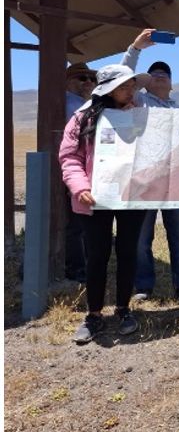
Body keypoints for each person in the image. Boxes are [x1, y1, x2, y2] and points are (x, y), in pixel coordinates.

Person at [61, 64, 153, 344]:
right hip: (94, 198)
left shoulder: (143, 117)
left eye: (132, 85)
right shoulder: (82, 118)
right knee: (97, 256)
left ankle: (124, 309)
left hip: (131, 196)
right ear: (108, 89)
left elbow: (161, 148)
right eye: (124, 86)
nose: (130, 90)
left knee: (127, 252)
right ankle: (94, 314)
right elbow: (69, 157)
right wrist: (80, 186)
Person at [119, 33, 179, 302]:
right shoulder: (139, 101)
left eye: (165, 73)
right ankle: (143, 286)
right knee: (141, 237)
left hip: (176, 181)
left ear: (172, 84)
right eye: (154, 74)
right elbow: (122, 76)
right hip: (144, 180)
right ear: (145, 84)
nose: (159, 75)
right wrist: (135, 48)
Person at [62, 62, 98, 283]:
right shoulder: (69, 104)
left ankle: (81, 263)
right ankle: (76, 268)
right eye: (81, 78)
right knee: (76, 223)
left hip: (85, 171)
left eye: (91, 79)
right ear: (68, 81)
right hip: (74, 171)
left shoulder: (85, 104)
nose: (88, 82)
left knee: (82, 221)